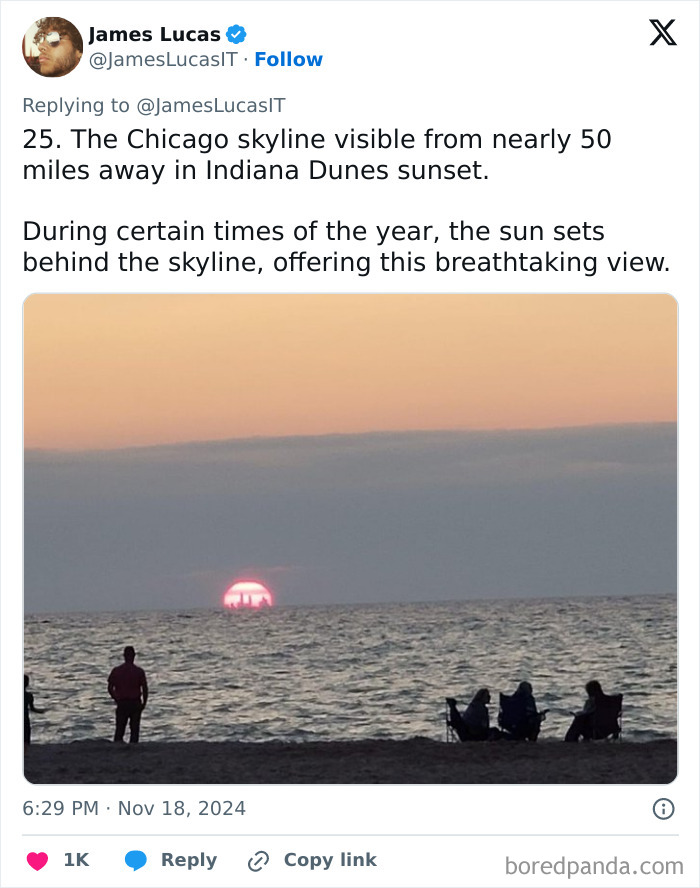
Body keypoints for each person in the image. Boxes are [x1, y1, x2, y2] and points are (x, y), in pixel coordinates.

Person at [108, 646, 148, 743]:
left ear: (124, 656)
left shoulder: (116, 671)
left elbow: (110, 688)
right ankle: (133, 748)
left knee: (119, 730)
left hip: (122, 702)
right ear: (134, 656)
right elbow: (145, 689)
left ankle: (118, 748)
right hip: (135, 702)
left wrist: (116, 699)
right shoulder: (139, 671)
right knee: (134, 730)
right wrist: (144, 703)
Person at [24, 674, 45, 747]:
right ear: (27, 684)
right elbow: (32, 708)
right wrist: (41, 711)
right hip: (25, 719)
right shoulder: (29, 696)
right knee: (26, 738)